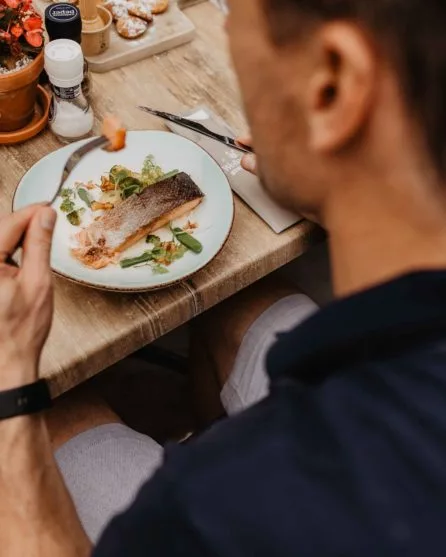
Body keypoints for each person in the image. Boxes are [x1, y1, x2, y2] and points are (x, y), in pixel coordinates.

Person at [2, 0, 446, 554]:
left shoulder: (217, 505)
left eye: (235, 15)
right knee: (241, 304)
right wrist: (348, 185)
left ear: (332, 87)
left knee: (59, 410)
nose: (229, 29)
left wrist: (12, 382)